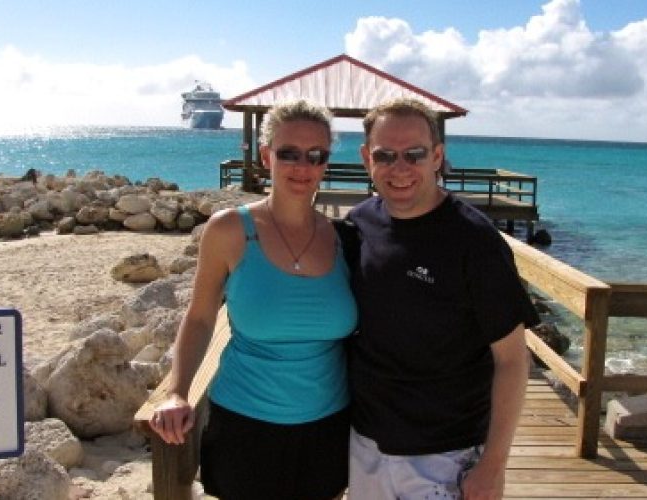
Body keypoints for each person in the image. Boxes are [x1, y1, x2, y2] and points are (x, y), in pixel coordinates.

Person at [148, 100, 357, 500]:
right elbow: (200, 317)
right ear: (266, 157)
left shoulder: (344, 238)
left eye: (316, 155)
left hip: (328, 427)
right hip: (245, 425)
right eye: (288, 153)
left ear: (326, 162)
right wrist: (177, 391)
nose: (302, 166)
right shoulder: (229, 230)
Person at [342, 98, 541, 500]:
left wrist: (494, 466)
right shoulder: (358, 224)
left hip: (447, 456)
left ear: (437, 156)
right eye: (385, 155)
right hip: (365, 445)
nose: (400, 168)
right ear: (367, 158)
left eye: (414, 154)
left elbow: (513, 360)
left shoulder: (475, 240)